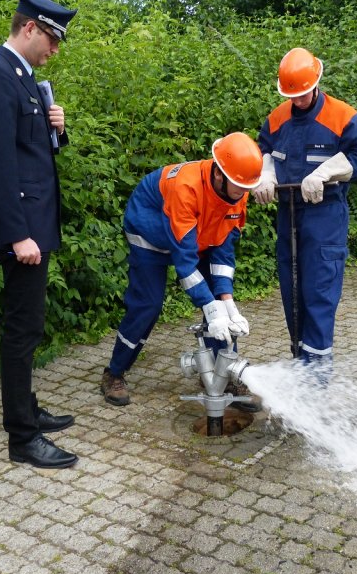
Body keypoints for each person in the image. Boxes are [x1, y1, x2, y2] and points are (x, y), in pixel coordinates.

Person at [0, 0, 79, 469]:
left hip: (33, 224)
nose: (55, 50)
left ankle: (25, 407)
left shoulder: (26, 79)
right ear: (30, 27)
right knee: (22, 328)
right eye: (52, 40)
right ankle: (22, 436)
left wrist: (59, 127)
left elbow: (34, 152)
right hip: (21, 230)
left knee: (28, 325)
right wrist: (18, 235)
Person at [101, 132, 263, 410]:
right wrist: (210, 309)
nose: (242, 193)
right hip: (149, 233)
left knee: (218, 306)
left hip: (193, 235)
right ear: (219, 175)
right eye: (237, 186)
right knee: (147, 306)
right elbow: (185, 262)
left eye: (245, 188)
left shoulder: (238, 189)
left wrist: (226, 302)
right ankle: (114, 373)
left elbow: (223, 249)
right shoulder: (186, 188)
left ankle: (220, 376)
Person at [252, 47, 357, 383]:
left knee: (318, 295)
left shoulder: (343, 116)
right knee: (292, 294)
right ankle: (300, 364)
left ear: (316, 83)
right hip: (288, 214)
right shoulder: (277, 118)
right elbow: (262, 151)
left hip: (325, 217)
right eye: (293, 95)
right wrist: (264, 175)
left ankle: (318, 380)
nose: (300, 100)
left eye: (304, 93)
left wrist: (327, 171)